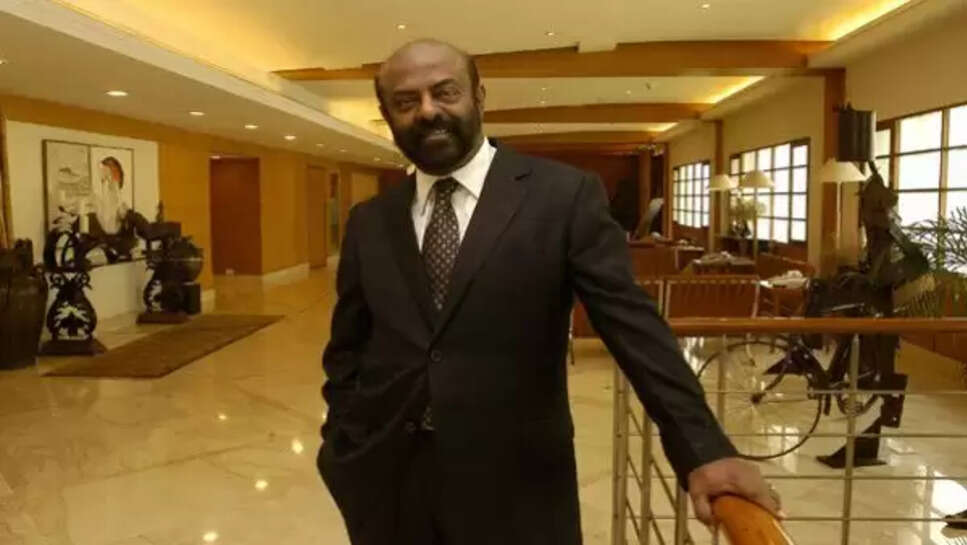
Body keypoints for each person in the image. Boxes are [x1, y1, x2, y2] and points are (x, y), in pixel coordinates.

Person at [317, 39, 780, 545]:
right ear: (388, 116)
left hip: (518, 488)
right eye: (406, 101)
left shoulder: (562, 196)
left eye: (445, 92)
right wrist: (344, 443)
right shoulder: (370, 221)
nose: (428, 111)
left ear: (479, 96)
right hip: (392, 487)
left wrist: (704, 448)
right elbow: (349, 346)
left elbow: (634, 327)